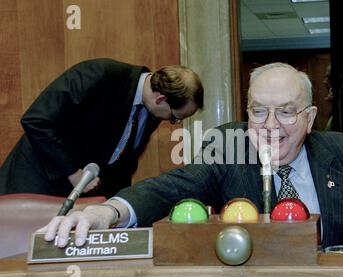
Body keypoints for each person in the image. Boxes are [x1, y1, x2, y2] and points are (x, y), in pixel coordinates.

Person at [40, 62, 343, 254]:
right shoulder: (229, 144)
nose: (270, 125)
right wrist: (108, 211)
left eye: (287, 112)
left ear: (309, 119)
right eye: (258, 111)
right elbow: (173, 185)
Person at [0, 58, 203, 198]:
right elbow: (36, 121)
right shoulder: (99, 75)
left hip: (76, 203)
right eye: (174, 118)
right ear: (161, 98)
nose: (171, 122)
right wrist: (74, 173)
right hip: (32, 187)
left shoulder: (151, 111)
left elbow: (121, 165)